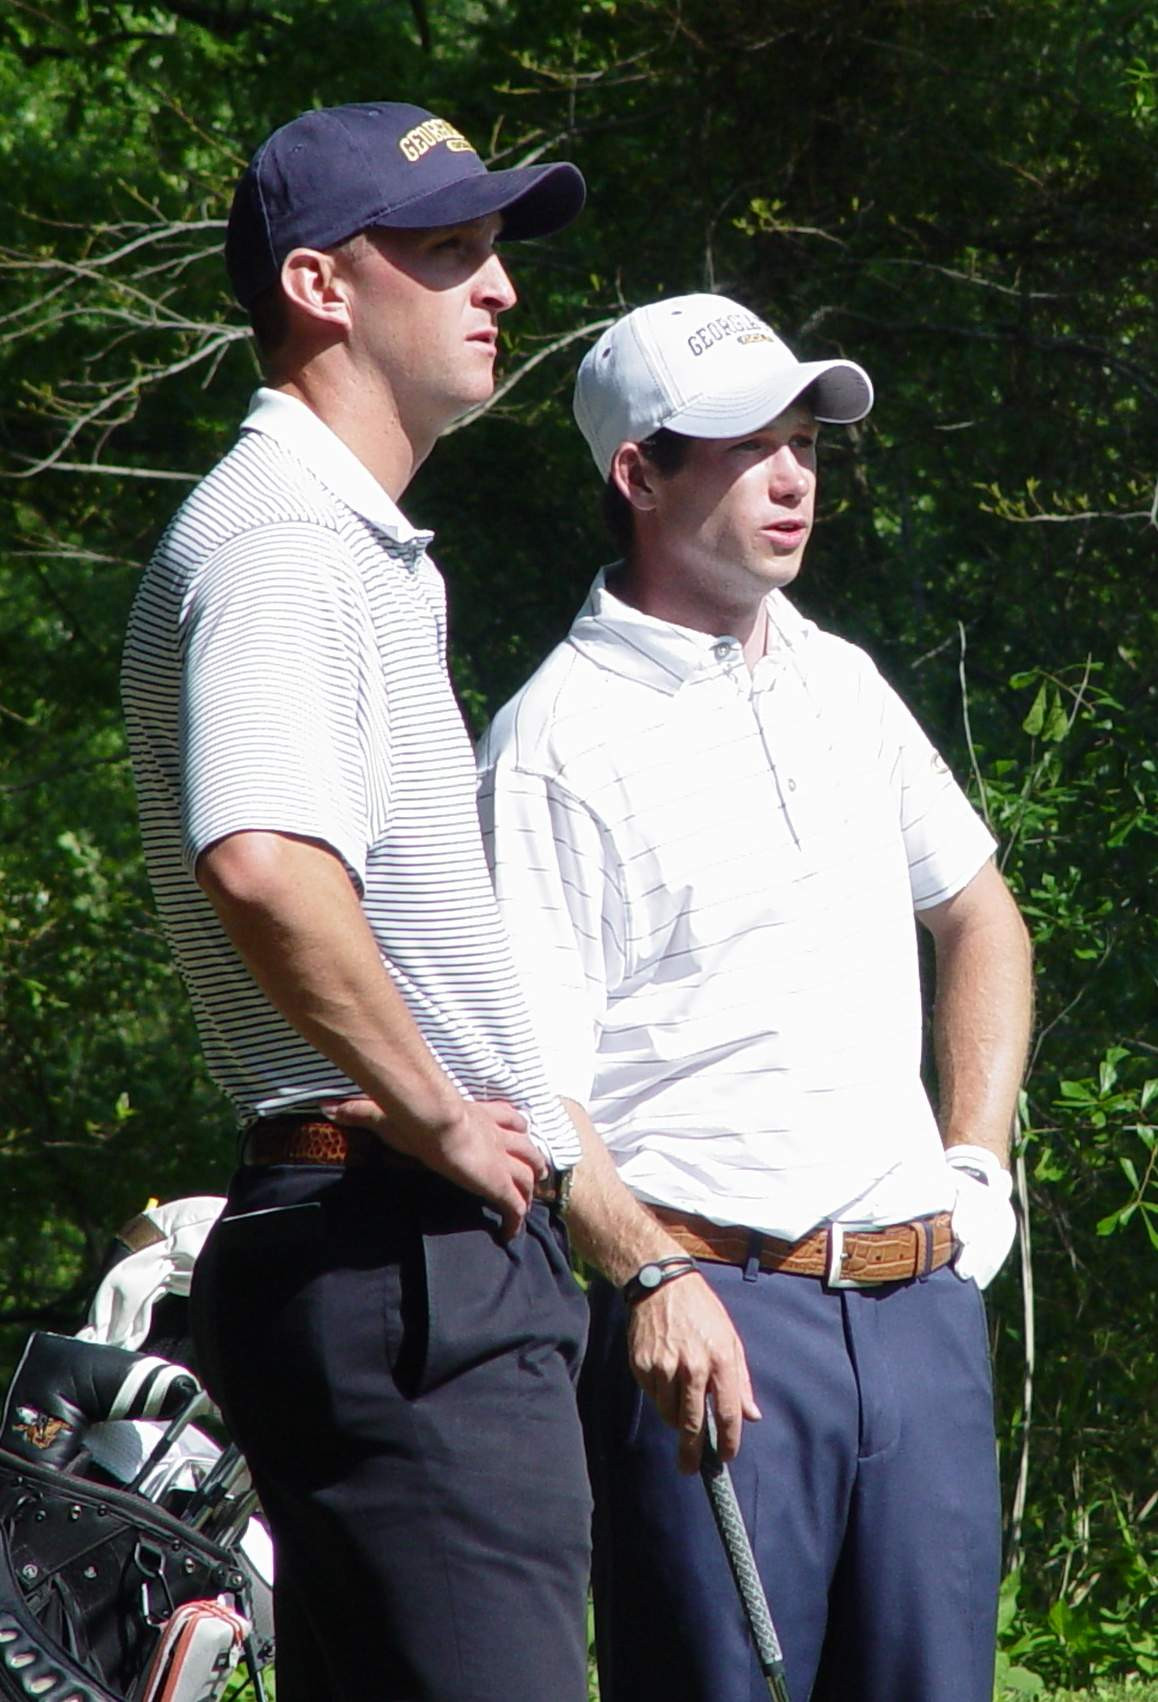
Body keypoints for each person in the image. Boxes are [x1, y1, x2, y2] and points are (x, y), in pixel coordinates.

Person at [476, 292, 1034, 1702]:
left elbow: (978, 915)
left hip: (919, 1308)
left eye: (803, 443)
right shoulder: (552, 738)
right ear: (639, 473)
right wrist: (650, 1272)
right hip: (714, 1322)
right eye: (746, 446)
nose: (793, 478)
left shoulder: (840, 681)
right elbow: (535, 1090)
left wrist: (976, 1162)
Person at [121, 102, 592, 1702]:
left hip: (393, 1253)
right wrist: (450, 1115)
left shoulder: (343, 541)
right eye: (449, 251)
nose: (500, 290)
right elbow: (260, 859)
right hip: (399, 1251)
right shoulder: (286, 540)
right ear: (322, 287)